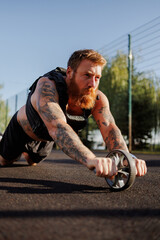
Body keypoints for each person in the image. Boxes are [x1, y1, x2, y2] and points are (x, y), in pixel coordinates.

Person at [0, 49, 147, 178]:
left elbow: (109, 127)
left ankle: (27, 152)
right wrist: (91, 159)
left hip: (46, 138)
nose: (93, 84)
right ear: (70, 72)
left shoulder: (97, 99)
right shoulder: (47, 86)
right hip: (22, 129)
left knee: (32, 162)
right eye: (87, 75)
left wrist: (127, 158)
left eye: (97, 78)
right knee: (4, 161)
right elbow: (57, 126)